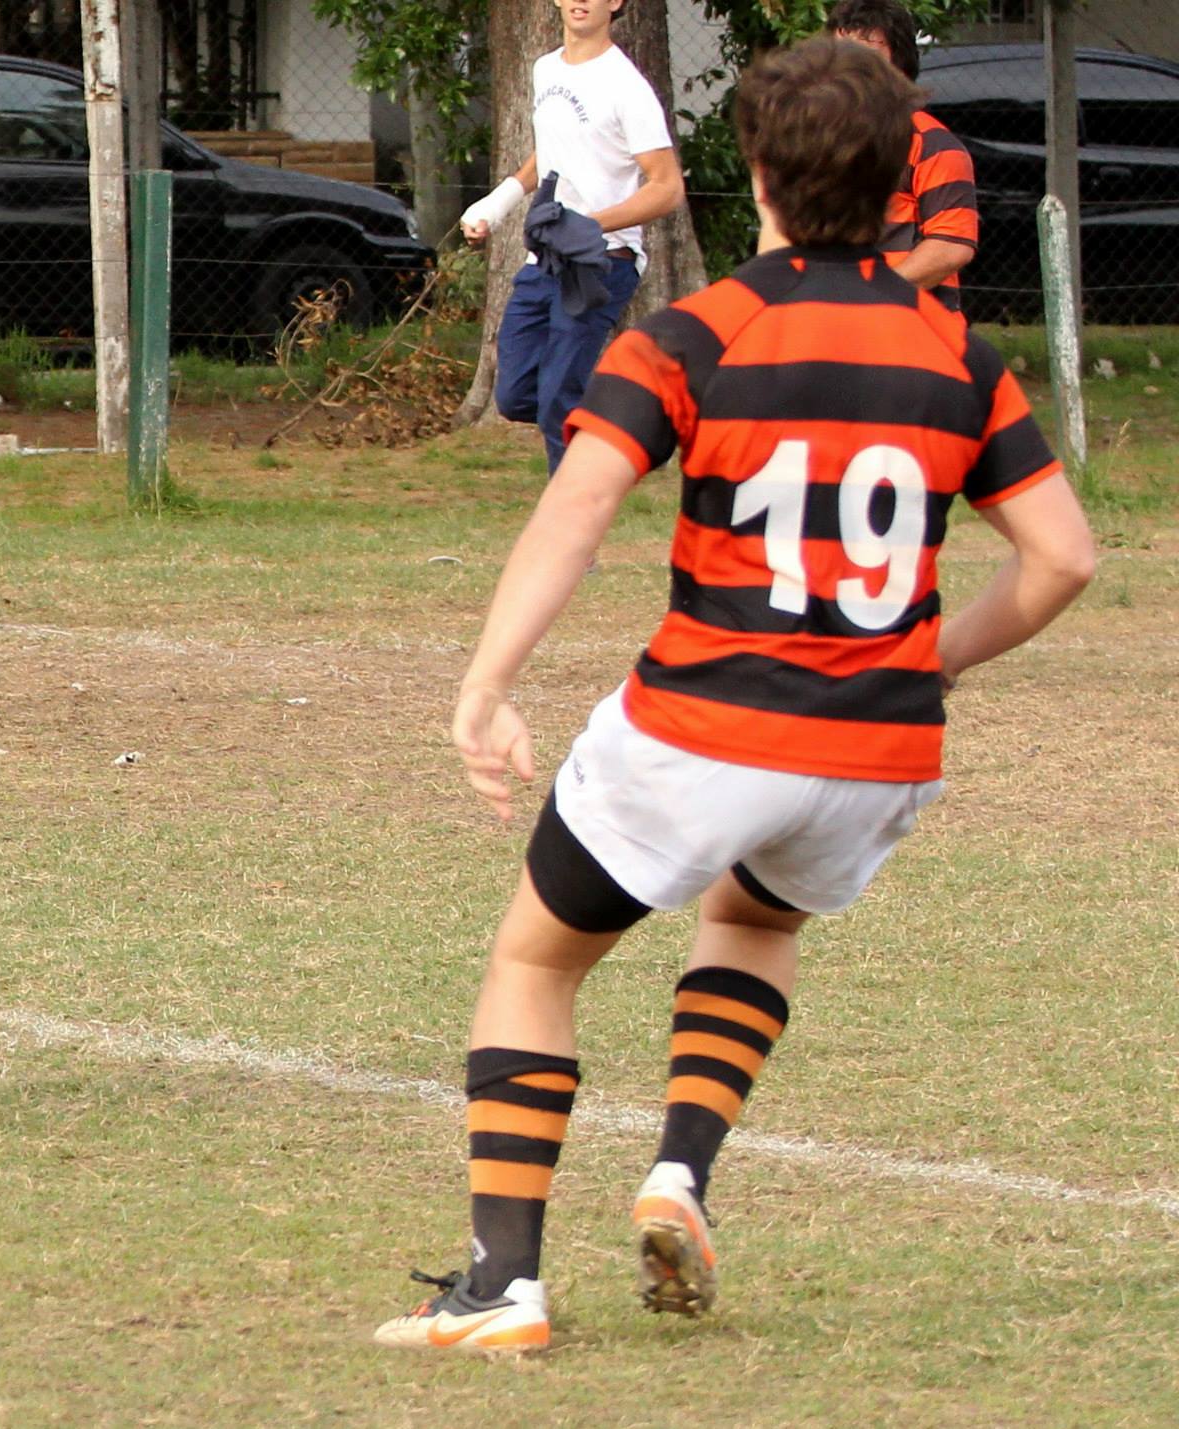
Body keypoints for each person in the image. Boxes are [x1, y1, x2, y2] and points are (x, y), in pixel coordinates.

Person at [376, 36, 1094, 1353]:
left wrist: (486, 682)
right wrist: (933, 654)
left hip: (706, 726)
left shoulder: (697, 335)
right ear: (897, 186)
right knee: (755, 925)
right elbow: (1063, 558)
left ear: (756, 174)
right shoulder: (958, 354)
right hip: (875, 755)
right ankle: (680, 1173)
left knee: (537, 960)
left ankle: (501, 1286)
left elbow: (576, 512)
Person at [456, 0, 684, 473]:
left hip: (603, 262)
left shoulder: (627, 87)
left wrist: (592, 224)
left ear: (615, 3)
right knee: (517, 395)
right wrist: (495, 206)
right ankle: (625, 423)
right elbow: (549, 153)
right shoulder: (545, 69)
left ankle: (573, 540)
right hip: (546, 260)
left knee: (558, 400)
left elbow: (667, 188)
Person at [829, 0, 981, 316]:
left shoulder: (932, 145)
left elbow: (950, 248)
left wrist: (866, 299)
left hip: (916, 330)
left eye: (866, 53)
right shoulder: (816, 140)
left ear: (899, 62)